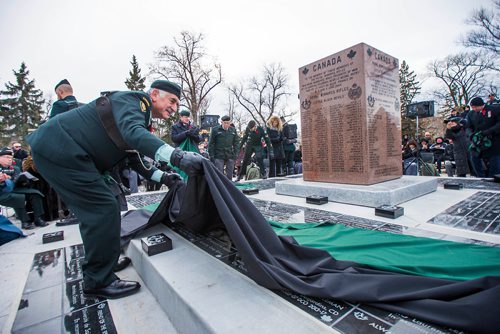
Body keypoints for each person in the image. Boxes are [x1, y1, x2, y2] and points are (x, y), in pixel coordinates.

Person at [27, 80, 204, 299]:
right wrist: (177, 156)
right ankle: (98, 281)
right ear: (155, 94)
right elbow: (132, 133)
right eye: (172, 101)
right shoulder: (135, 101)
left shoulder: (138, 117)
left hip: (67, 152)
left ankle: (104, 263)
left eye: (177, 104)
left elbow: (134, 159)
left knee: (104, 207)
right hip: (61, 149)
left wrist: (166, 177)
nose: (174, 108)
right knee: (101, 208)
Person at [0, 147, 47, 229]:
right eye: (7, 157)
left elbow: (18, 180)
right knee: (17, 198)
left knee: (35, 193)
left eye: (11, 158)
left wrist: (24, 180)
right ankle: (25, 221)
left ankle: (38, 218)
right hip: (2, 193)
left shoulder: (15, 168)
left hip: (16, 189)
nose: (10, 160)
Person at [465, 97, 500, 177]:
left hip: (493, 141)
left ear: (481, 105)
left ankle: (493, 178)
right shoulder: (471, 114)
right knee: (474, 159)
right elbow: (468, 126)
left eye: (475, 107)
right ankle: (480, 176)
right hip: (478, 142)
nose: (474, 109)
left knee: (495, 163)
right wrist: (471, 135)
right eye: (472, 107)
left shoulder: (494, 110)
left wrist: (487, 132)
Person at [208, 115, 239, 180]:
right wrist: (211, 155)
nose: (226, 124)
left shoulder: (233, 130)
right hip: (218, 154)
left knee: (230, 173)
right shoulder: (215, 130)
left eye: (228, 123)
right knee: (220, 174)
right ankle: (221, 187)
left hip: (229, 154)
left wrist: (236, 154)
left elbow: (236, 143)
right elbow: (211, 143)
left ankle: (230, 186)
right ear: (221, 122)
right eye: (225, 123)